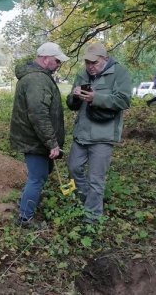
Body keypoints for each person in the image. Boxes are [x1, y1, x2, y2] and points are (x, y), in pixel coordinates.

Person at [66, 42, 132, 224]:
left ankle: (91, 218)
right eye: (87, 62)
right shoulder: (82, 73)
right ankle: (86, 201)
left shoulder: (119, 73)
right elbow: (72, 105)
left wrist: (97, 98)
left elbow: (124, 100)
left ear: (106, 59)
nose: (90, 66)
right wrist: (74, 96)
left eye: (94, 63)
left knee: (96, 179)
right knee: (73, 169)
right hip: (82, 133)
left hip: (103, 135)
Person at [9, 42, 69, 227]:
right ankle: (25, 218)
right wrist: (52, 143)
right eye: (57, 60)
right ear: (45, 59)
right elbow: (38, 114)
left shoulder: (38, 76)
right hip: (35, 140)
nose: (59, 64)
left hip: (36, 138)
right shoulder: (37, 80)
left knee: (42, 174)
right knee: (37, 177)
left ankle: (25, 203)